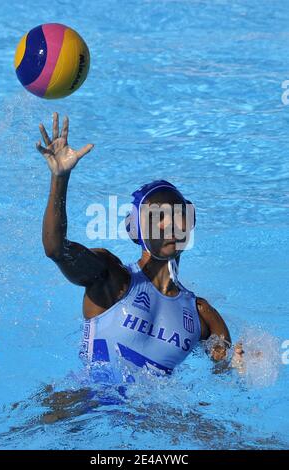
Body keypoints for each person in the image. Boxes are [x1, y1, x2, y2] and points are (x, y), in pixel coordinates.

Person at [37, 112, 240, 383]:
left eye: (178, 216)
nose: (170, 226)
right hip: (87, 407)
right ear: (137, 230)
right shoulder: (112, 279)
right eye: (158, 217)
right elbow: (55, 249)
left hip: (155, 420)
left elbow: (225, 370)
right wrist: (59, 179)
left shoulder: (201, 315)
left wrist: (242, 365)